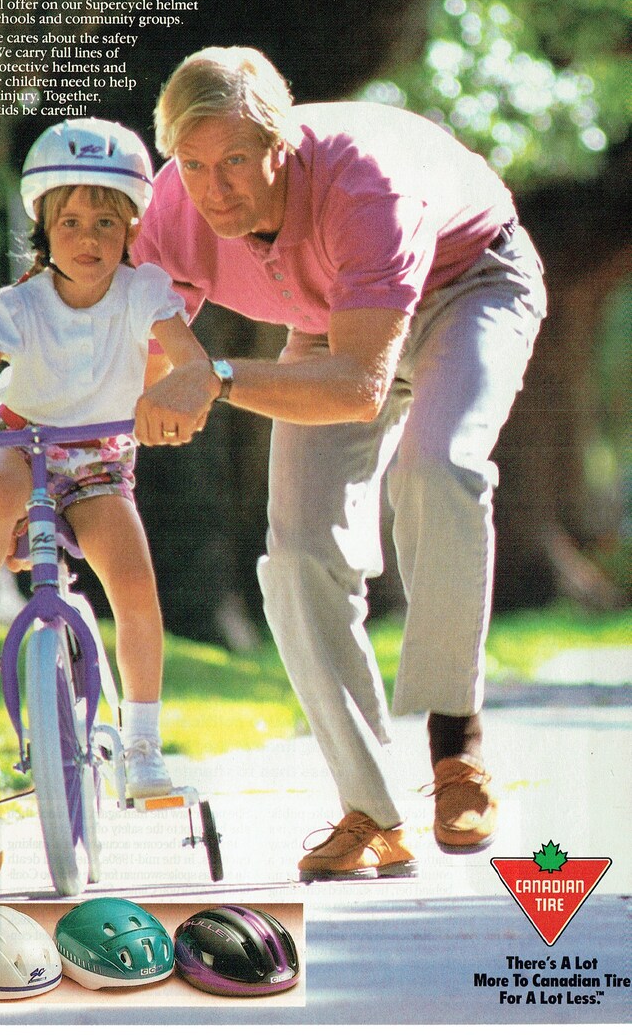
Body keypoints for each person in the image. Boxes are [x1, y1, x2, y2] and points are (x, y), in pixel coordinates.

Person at [132, 46, 547, 877]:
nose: (215, 189)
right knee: (294, 558)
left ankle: (455, 755)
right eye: (194, 163)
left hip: (468, 286)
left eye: (237, 163)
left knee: (440, 468)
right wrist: (180, 362)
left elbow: (359, 387)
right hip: (327, 320)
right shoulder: (176, 202)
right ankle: (372, 813)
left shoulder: (364, 186)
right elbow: (145, 302)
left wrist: (210, 376)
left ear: (280, 145)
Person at [0, 117, 212, 799]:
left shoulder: (145, 291)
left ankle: (143, 743)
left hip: (99, 457)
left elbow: (190, 363)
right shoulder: (19, 303)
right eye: (70, 222)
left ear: (129, 230)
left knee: (134, 588)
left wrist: (182, 396)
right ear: (43, 228)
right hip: (22, 438)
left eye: (105, 223)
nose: (88, 238)